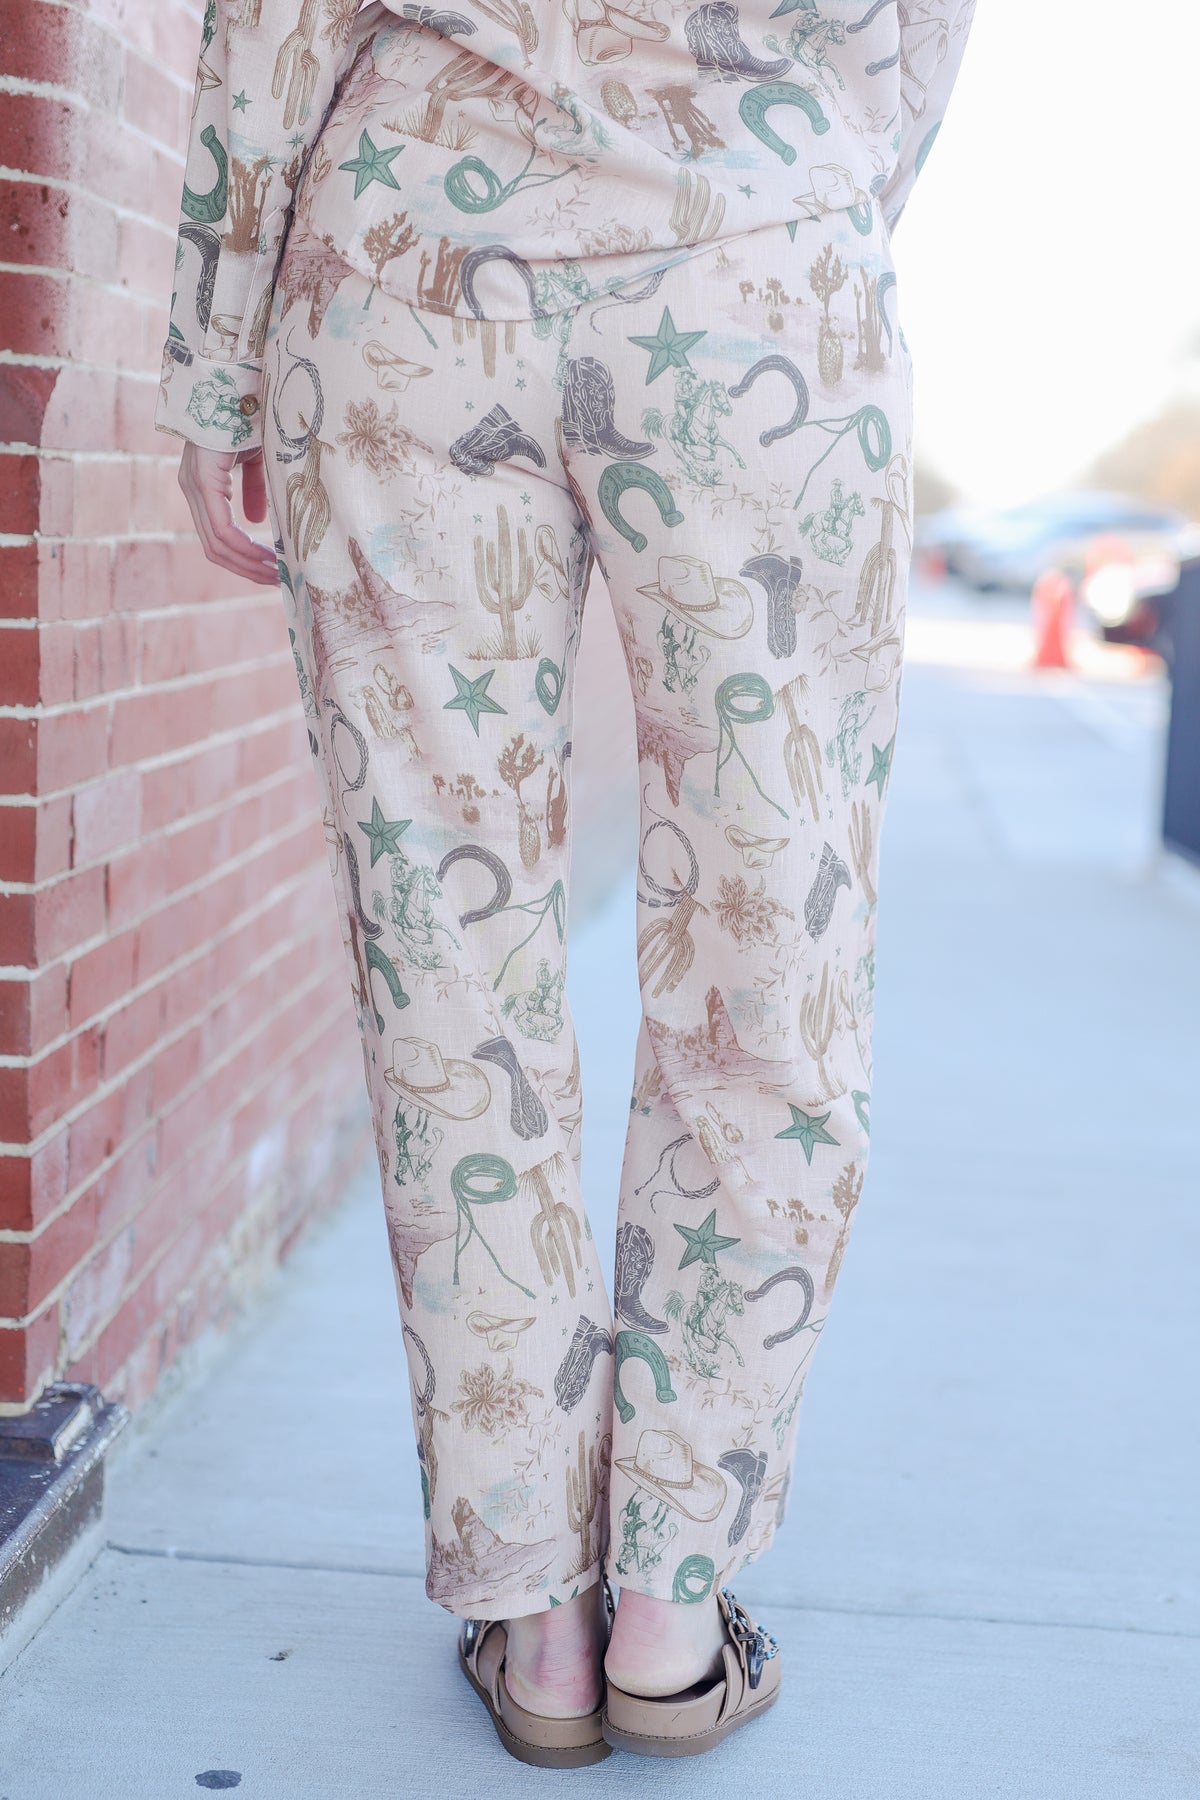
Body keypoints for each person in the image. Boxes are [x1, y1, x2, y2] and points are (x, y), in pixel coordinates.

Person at [159, 0, 976, 1766]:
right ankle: (670, 1614)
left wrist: (219, 352)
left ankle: (538, 1615)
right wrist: (800, 189)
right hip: (755, 247)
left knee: (447, 950)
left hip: (407, 261)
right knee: (776, 934)